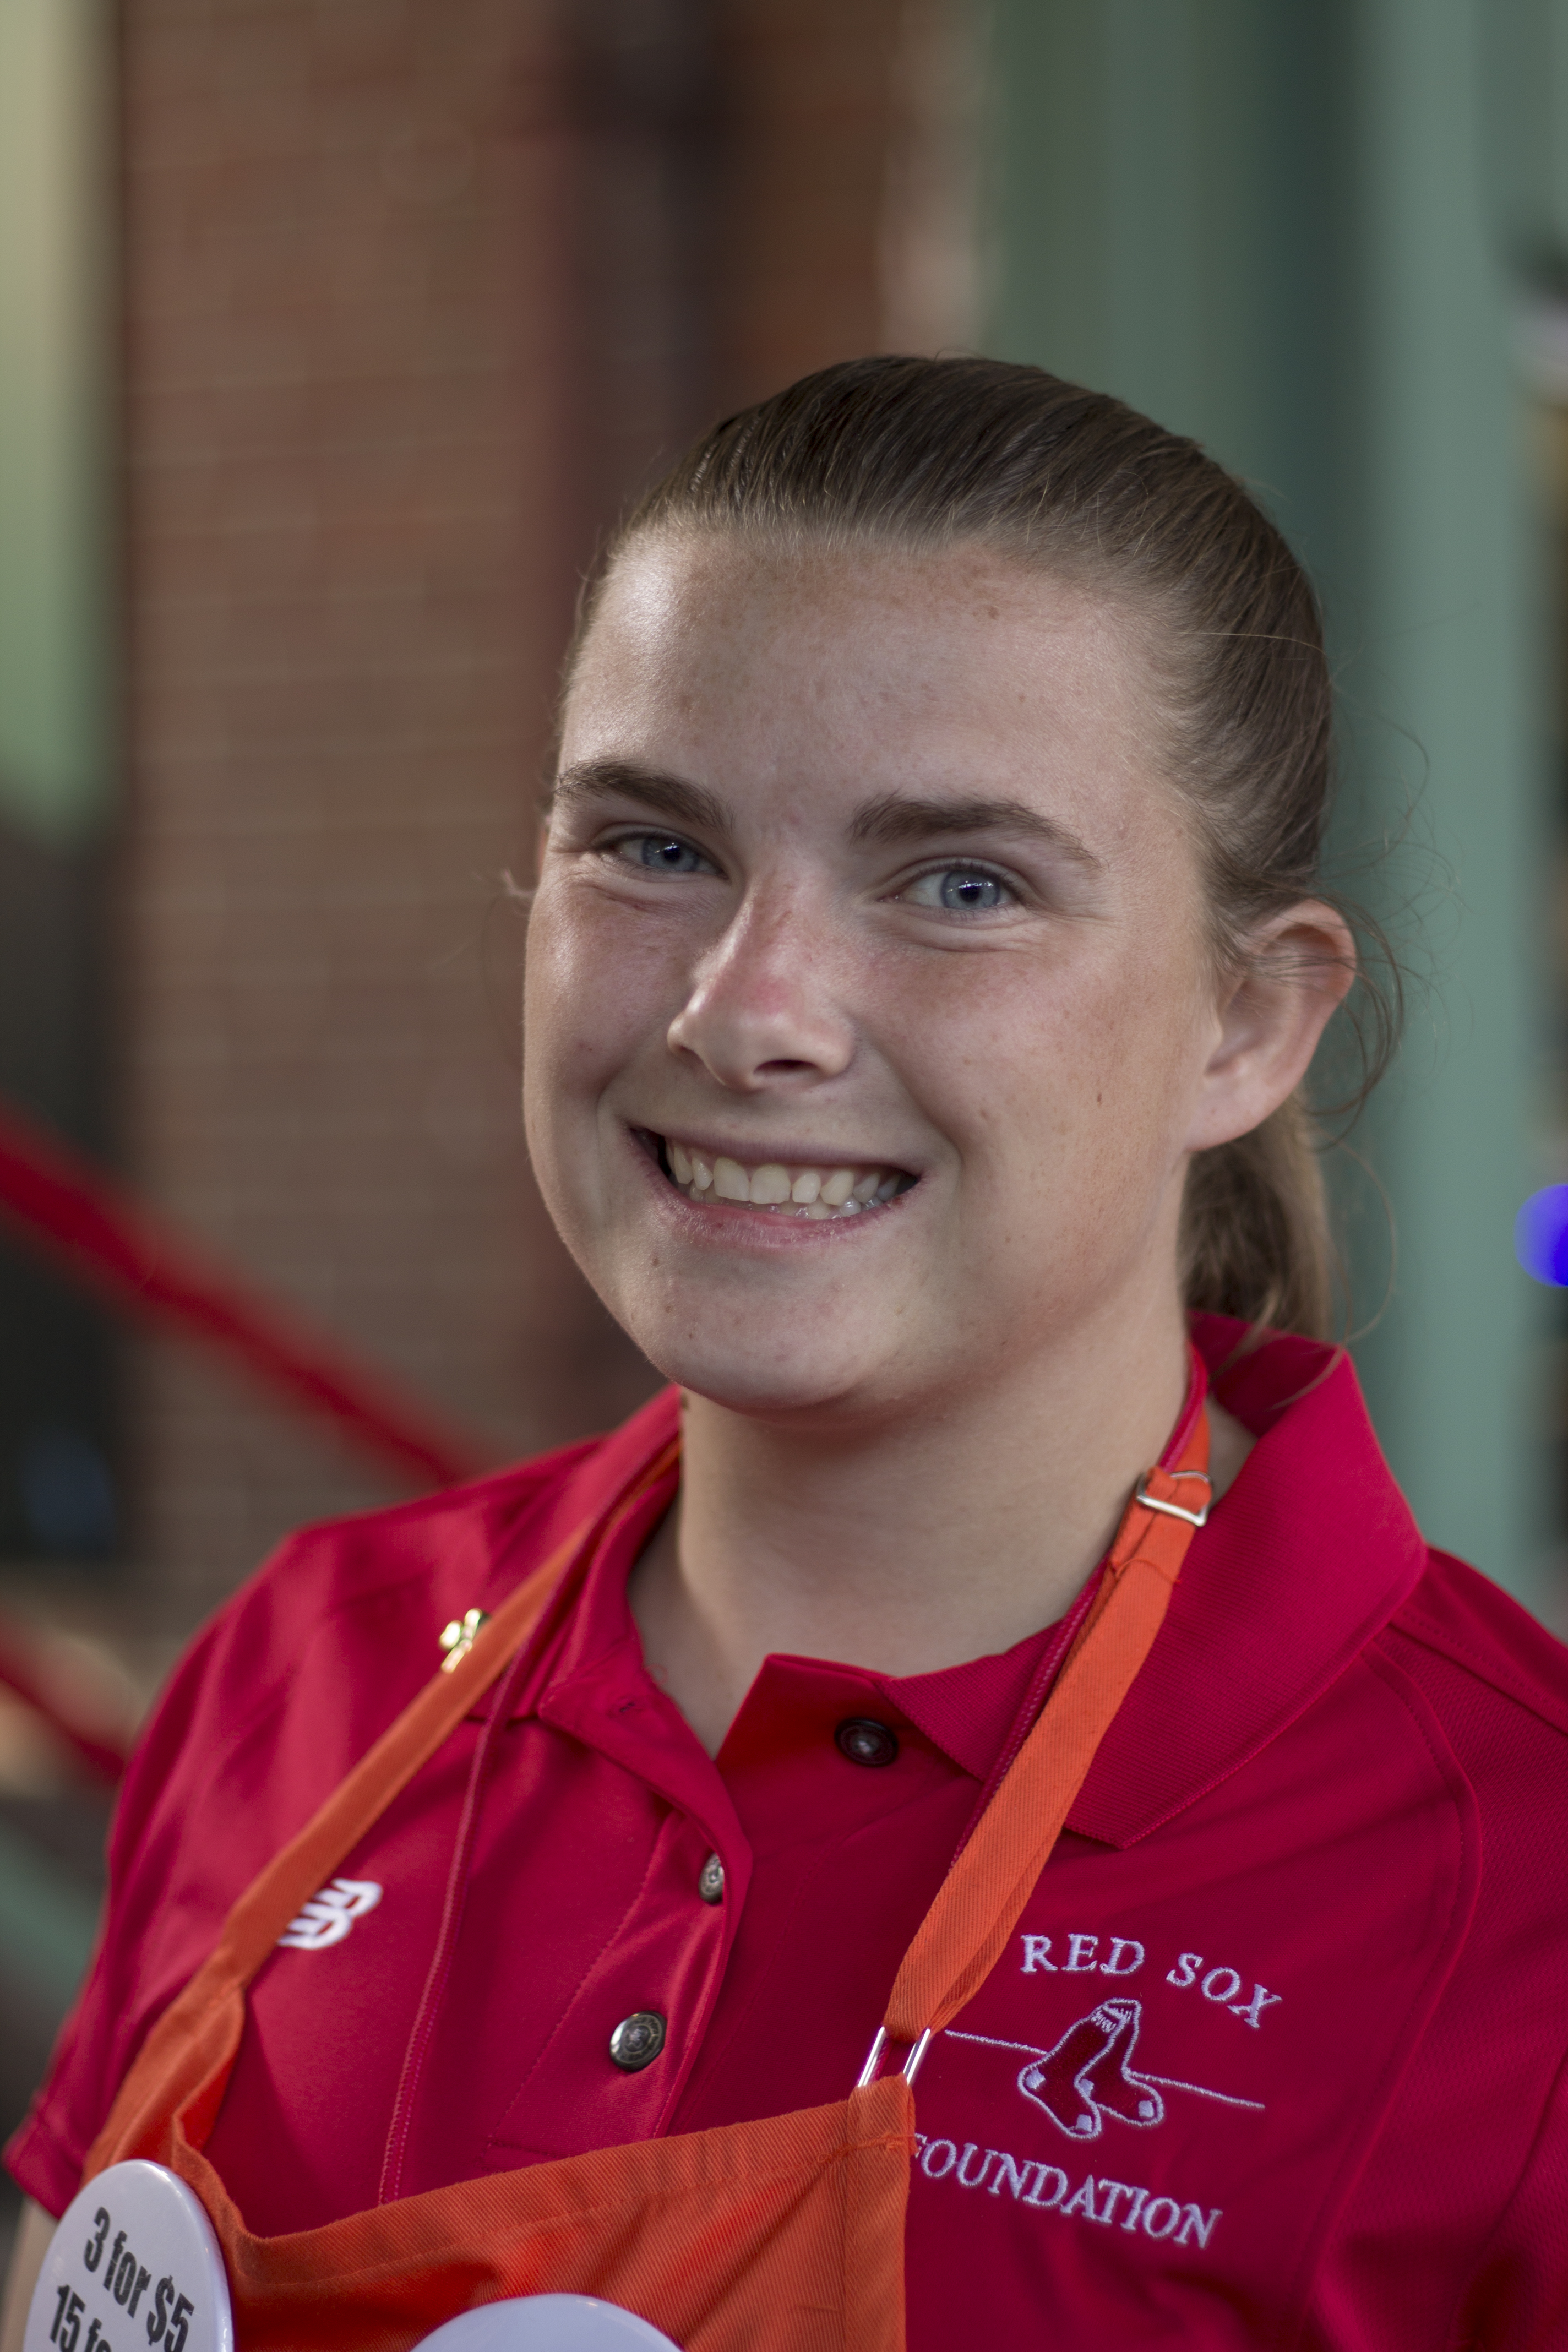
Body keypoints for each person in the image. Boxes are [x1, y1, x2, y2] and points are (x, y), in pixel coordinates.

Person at [6, 355, 1568, 2351]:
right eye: (653, 847)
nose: (754, 1014)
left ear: (1246, 1027)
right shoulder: (307, 1668)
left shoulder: (1512, 1895)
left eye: (963, 885)